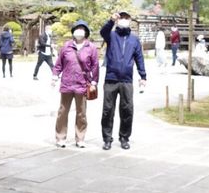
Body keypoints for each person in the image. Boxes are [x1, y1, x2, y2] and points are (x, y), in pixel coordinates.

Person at [100, 11, 146, 150]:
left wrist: (143, 76)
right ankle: (107, 138)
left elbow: (139, 58)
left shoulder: (134, 39)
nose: (124, 20)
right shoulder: (111, 35)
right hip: (111, 78)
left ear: (130, 21)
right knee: (108, 110)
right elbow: (103, 32)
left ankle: (124, 137)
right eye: (122, 18)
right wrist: (111, 21)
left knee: (127, 110)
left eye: (127, 18)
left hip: (127, 80)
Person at [52, 20, 99, 148]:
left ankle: (80, 138)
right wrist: (55, 76)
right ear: (73, 31)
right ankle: (60, 137)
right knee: (63, 111)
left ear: (86, 32)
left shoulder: (91, 48)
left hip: (82, 84)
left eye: (82, 29)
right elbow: (59, 64)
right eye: (77, 28)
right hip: (67, 83)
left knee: (81, 113)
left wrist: (94, 82)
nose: (79, 31)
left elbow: (95, 66)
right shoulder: (66, 46)